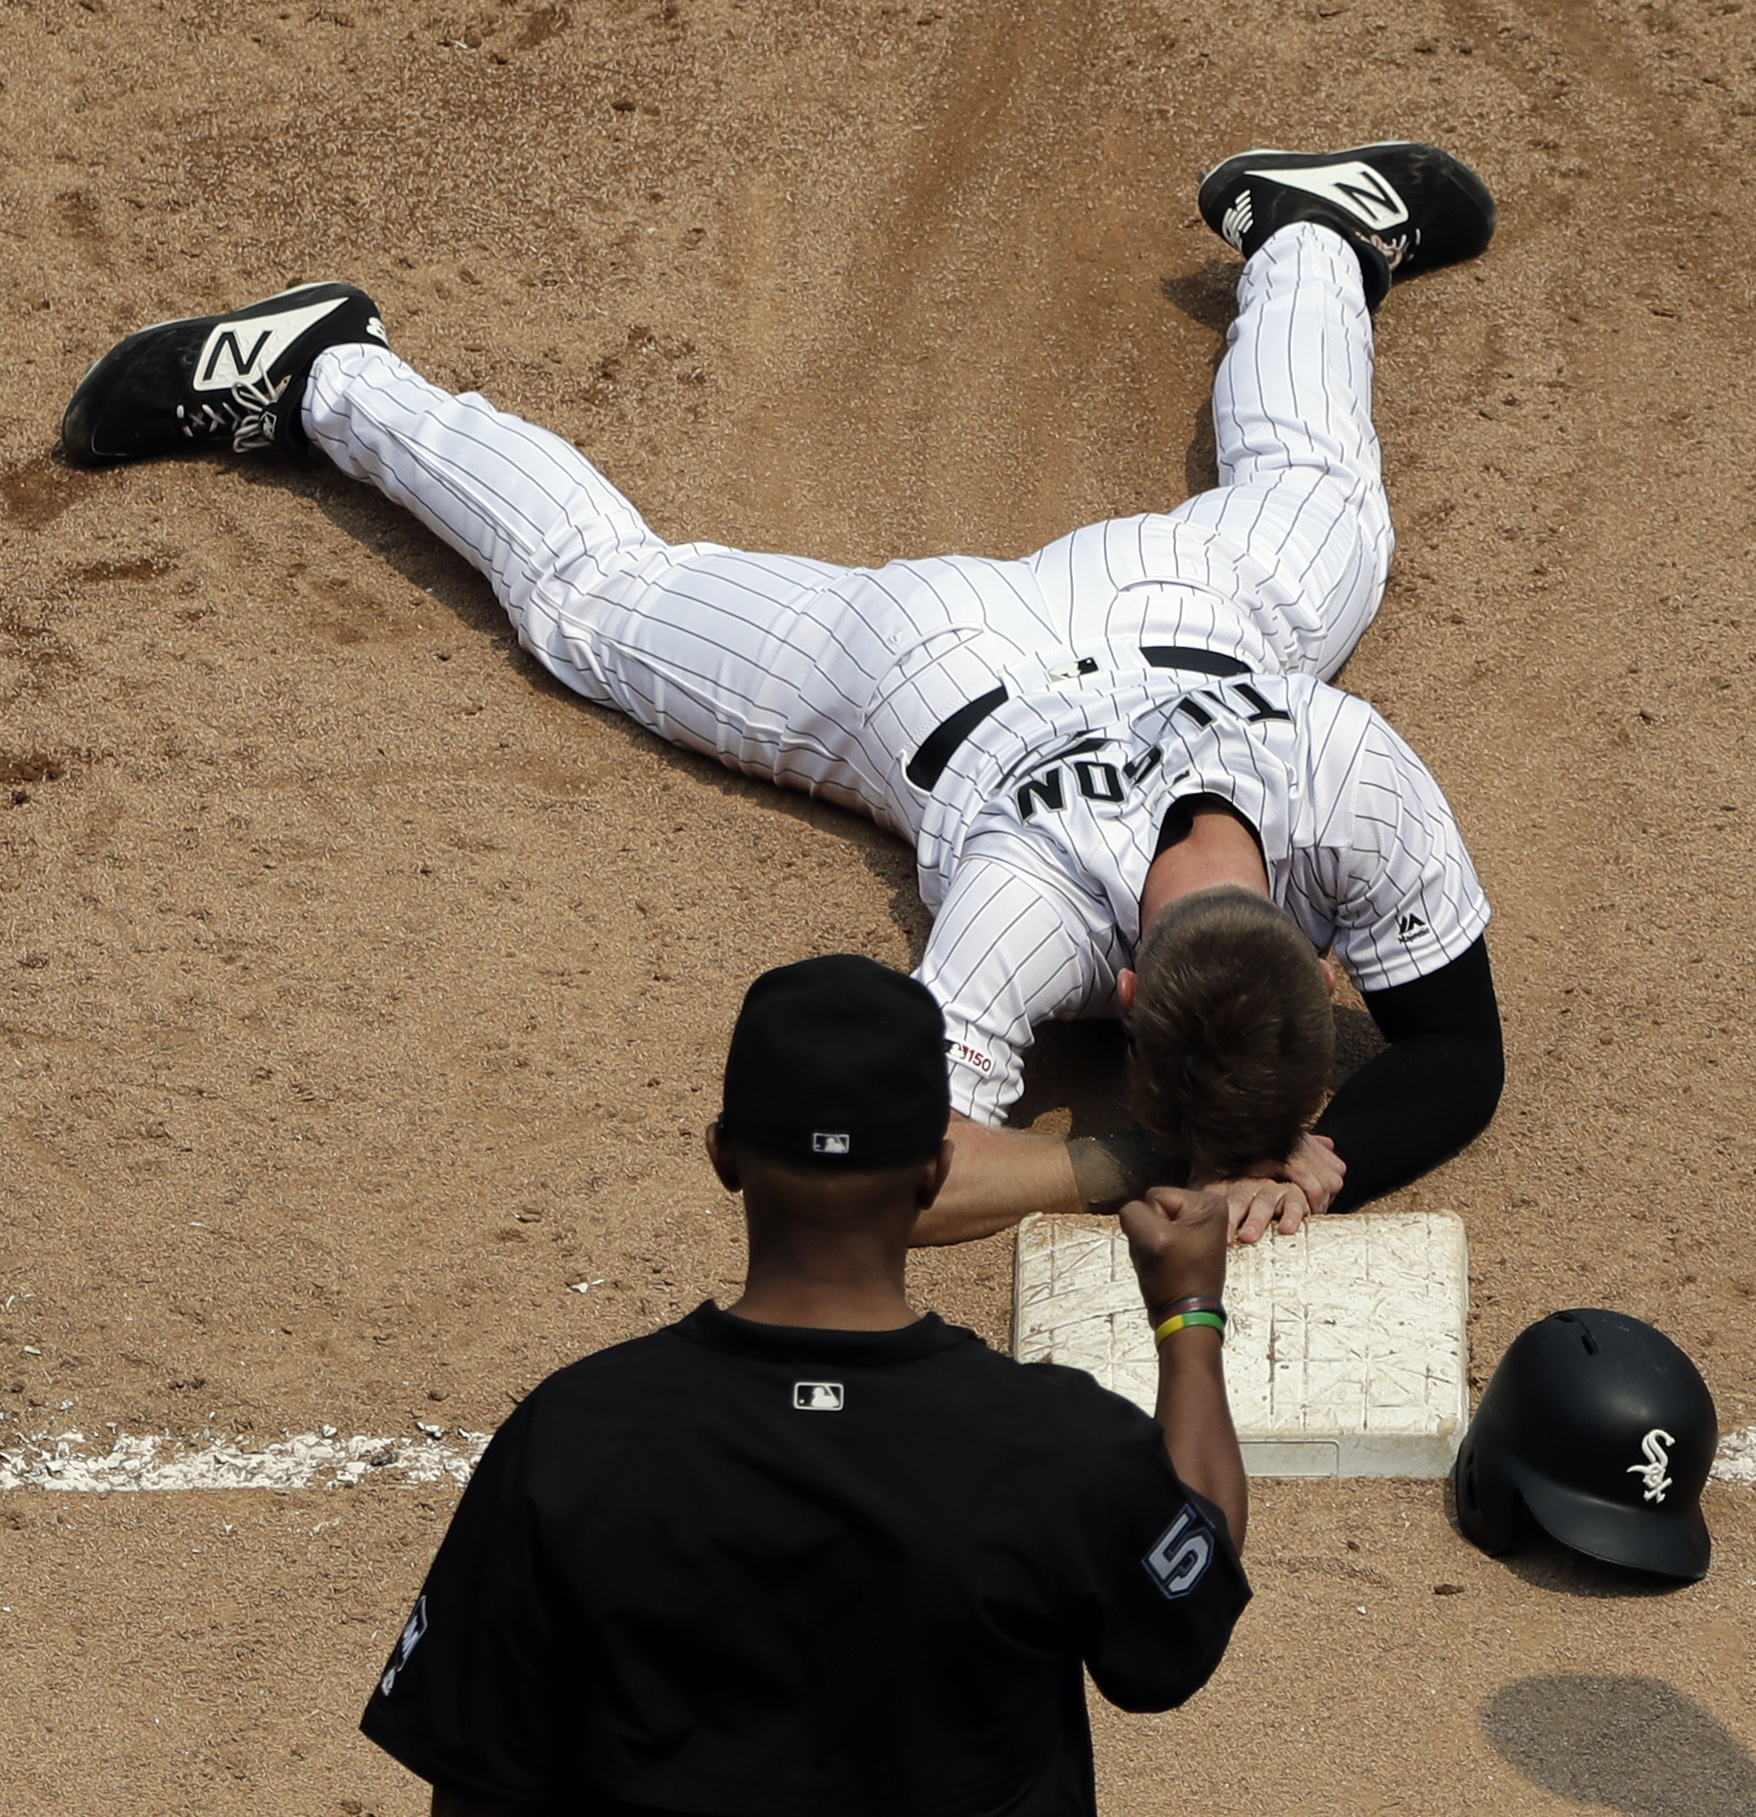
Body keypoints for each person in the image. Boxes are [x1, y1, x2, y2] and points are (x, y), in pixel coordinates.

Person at [62, 139, 1504, 1247]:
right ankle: (327, 375)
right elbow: (901, 1178)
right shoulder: (1192, 843)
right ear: (1331, 970)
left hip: (1100, 612)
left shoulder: (1327, 772)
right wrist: (1141, 1161)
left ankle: (1315, 225)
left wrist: (1304, 1154)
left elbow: (1452, 1045)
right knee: (600, 608)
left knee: (1317, 505)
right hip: (965, 655)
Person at [358, 951, 1252, 1817]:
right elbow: (1183, 1614)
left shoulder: (577, 1439)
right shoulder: (1051, 1445)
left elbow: (493, 1816)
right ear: (937, 1169)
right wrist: (1188, 1322)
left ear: (723, 1156)